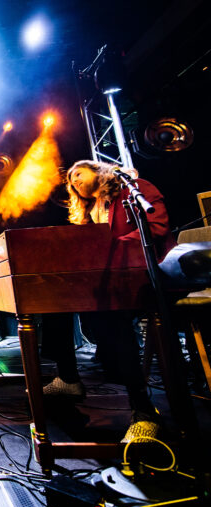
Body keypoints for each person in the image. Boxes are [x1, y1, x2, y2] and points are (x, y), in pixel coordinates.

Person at [41, 159, 175, 442]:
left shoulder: (133, 189)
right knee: (52, 300)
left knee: (108, 314)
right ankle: (68, 378)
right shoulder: (90, 212)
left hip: (147, 274)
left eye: (79, 173)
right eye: (71, 181)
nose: (74, 181)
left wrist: (112, 248)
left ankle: (144, 412)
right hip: (112, 279)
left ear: (97, 170)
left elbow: (156, 227)